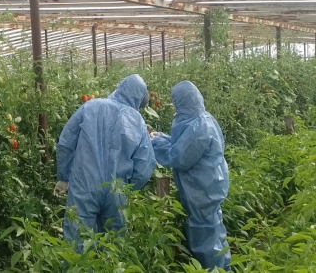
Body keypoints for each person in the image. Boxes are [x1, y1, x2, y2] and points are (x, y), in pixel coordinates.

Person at [54, 74, 157, 253]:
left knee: (77, 241)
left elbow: (66, 143)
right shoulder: (137, 121)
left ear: (120, 87)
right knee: (113, 244)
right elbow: (144, 165)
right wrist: (128, 188)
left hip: (84, 184)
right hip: (116, 189)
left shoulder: (91, 106)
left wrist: (64, 177)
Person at [150, 81, 231, 271]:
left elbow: (178, 157)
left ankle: (213, 269)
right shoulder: (203, 119)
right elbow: (182, 144)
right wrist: (160, 137)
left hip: (203, 190)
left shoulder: (198, 128)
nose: (175, 108)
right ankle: (224, 268)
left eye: (176, 103)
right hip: (209, 185)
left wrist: (154, 144)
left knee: (206, 237)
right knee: (215, 230)